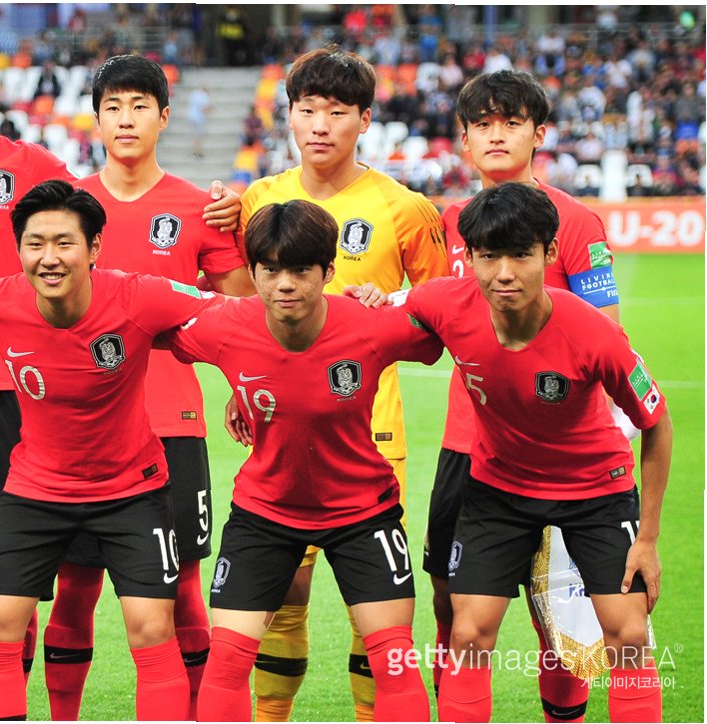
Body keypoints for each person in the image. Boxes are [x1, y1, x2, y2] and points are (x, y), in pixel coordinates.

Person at [0, 13, 242, 713]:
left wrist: (241, 204)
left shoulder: (34, 167)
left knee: (14, 580)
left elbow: (103, 225)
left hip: (11, 391)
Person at [0, 180, 216, 720]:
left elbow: (232, 312)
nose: (49, 258)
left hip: (132, 491)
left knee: (152, 628)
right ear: (19, 248)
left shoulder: (139, 295)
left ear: (93, 249)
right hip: (35, 491)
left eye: (64, 243)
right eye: (35, 243)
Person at [402, 182, 670, 724]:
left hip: (595, 492)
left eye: (521, 255)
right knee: (468, 632)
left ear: (549, 254)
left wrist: (646, 539)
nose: (504, 273)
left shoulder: (594, 333)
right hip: (498, 490)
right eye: (488, 257)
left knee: (628, 636)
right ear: (469, 258)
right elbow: (380, 316)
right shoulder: (445, 303)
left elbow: (657, 422)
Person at [234, 45, 447, 723]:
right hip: (278, 430)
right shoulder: (259, 200)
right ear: (289, 116)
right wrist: (240, 390)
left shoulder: (405, 208)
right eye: (307, 110)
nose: (320, 125)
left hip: (370, 435)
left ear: (365, 120)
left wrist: (393, 309)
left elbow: (443, 320)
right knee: (281, 599)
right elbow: (244, 314)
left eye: (337, 111)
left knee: (374, 612)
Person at [172, 200, 439, 722]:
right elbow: (142, 318)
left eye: (299, 270)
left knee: (394, 660)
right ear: (252, 272)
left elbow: (449, 317)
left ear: (329, 272)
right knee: (227, 662)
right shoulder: (225, 325)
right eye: (270, 270)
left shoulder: (371, 325)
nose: (284, 285)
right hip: (265, 511)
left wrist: (392, 297)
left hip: (363, 511)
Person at [44, 54, 253, 720]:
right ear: (96, 118)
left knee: (183, 589)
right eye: (113, 106)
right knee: (75, 588)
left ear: (164, 117)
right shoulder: (66, 208)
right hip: (79, 429)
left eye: (139, 106)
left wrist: (243, 387)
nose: (126, 119)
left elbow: (240, 312)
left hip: (171, 423)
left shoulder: (201, 209)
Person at [427, 69, 623, 723]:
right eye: (482, 124)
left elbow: (608, 334)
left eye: (511, 122)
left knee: (559, 623)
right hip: (467, 447)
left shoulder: (577, 222)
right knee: (453, 608)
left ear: (539, 133)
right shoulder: (450, 222)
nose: (496, 135)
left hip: (555, 457)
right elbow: (429, 313)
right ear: (463, 139)